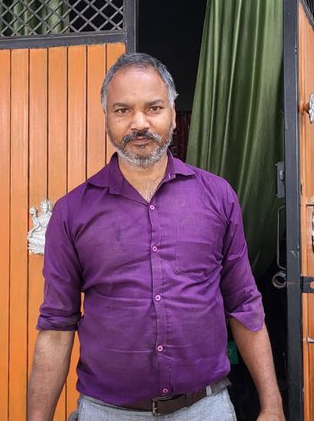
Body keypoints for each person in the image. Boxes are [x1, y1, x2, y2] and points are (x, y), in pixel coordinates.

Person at [28, 53, 285, 421]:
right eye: (122, 110)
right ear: (106, 119)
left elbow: (244, 303)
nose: (139, 123)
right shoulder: (73, 213)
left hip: (205, 409)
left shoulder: (217, 196)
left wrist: (272, 404)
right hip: (108, 413)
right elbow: (56, 326)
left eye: (153, 108)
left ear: (172, 114)